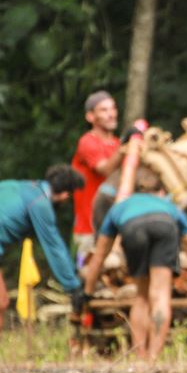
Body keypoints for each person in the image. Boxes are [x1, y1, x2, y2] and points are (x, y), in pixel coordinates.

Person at [0, 165, 85, 361]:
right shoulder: (40, 203)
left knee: (0, 302)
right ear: (66, 195)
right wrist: (73, 286)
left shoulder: (14, 186)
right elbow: (54, 246)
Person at [81, 170, 187, 361]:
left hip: (133, 228)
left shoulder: (120, 207)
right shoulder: (169, 206)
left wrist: (87, 292)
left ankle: (140, 357)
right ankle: (153, 357)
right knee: (160, 295)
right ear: (160, 192)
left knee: (141, 296)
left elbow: (99, 256)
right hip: (164, 226)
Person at [71, 90, 123, 263]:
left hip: (114, 228)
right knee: (86, 278)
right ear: (90, 117)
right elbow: (106, 170)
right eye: (104, 110)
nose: (111, 114)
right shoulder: (87, 142)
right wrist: (126, 148)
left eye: (113, 108)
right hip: (88, 229)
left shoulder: (117, 143)